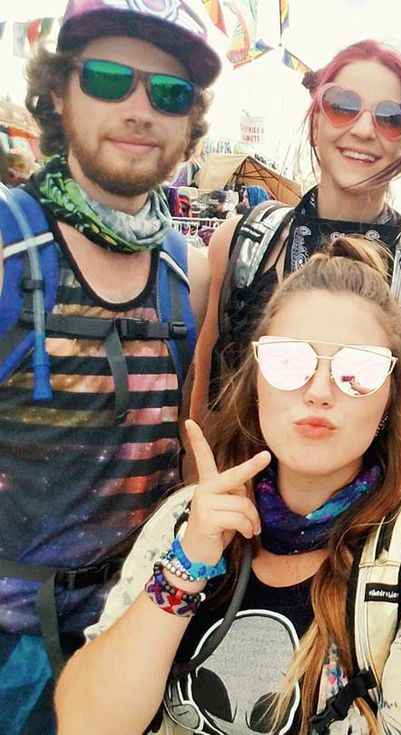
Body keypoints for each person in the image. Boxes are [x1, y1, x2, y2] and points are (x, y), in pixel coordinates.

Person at [55, 241, 401, 734]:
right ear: (256, 382)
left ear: (388, 401)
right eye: (289, 361)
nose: (319, 391)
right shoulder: (188, 521)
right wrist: (185, 569)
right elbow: (84, 723)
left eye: (357, 370)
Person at [0, 0, 218, 731]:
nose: (139, 108)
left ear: (189, 122)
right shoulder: (8, 245)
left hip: (134, 630)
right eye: (106, 79)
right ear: (59, 93)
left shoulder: (187, 273)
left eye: (169, 93)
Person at [191, 39, 401, 431]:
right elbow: (207, 396)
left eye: (392, 117)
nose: (363, 130)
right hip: (239, 469)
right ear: (315, 124)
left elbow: (399, 436)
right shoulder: (243, 241)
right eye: (342, 106)